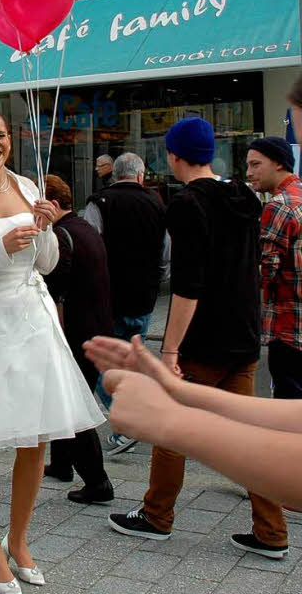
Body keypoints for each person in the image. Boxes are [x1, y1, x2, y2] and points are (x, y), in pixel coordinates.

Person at [0, 106, 104, 593]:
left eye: (2, 135)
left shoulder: (30, 187)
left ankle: (20, 540)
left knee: (34, 439)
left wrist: (46, 228)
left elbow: (47, 264)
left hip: (33, 319)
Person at [106, 117, 287, 558]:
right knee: (248, 436)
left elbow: (188, 285)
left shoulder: (187, 204)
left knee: (172, 426)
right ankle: (272, 531)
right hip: (243, 335)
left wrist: (169, 349)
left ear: (172, 156)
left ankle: (156, 515)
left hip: (204, 340)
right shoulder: (244, 195)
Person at [87, 335, 302, 547]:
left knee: (172, 449)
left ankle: (156, 515)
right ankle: (271, 532)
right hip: (245, 342)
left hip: (204, 346)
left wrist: (168, 421)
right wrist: (178, 390)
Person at [84, 152, 169, 454]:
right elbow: (165, 251)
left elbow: (90, 248)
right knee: (134, 357)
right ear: (141, 175)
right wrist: (157, 278)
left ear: (114, 174)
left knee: (98, 363)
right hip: (143, 296)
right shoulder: (157, 204)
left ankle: (127, 421)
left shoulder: (100, 202)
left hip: (109, 296)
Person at [41, 175, 113, 504]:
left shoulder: (61, 235)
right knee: (63, 397)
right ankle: (61, 463)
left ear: (53, 204)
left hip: (77, 332)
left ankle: (98, 482)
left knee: (75, 406)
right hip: (97, 326)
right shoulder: (86, 228)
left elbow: (54, 289)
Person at [245, 137, 302, 399]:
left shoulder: (278, 206)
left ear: (279, 163)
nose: (249, 172)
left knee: (288, 416)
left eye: (256, 164)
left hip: (288, 331)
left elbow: (264, 272)